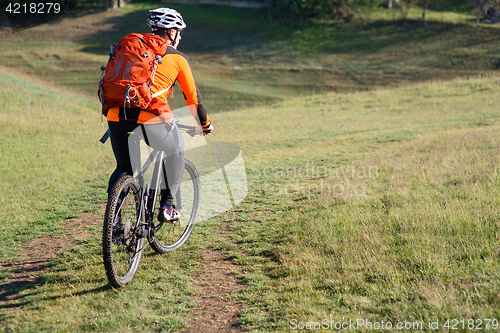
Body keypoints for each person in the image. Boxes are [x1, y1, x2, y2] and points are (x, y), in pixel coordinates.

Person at [106, 7, 213, 222]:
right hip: (149, 119)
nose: (180, 37)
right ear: (172, 32)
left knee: (124, 168)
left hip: (116, 116)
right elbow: (193, 99)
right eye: (179, 32)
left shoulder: (131, 48)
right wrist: (204, 125)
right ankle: (168, 206)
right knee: (177, 148)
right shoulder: (177, 58)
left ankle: (113, 221)